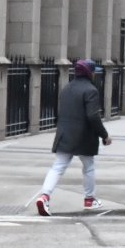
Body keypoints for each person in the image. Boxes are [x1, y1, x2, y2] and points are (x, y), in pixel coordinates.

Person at [35, 59, 112, 215]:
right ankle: (89, 199)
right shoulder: (91, 90)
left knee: (57, 167)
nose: (95, 74)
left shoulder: (66, 88)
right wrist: (104, 135)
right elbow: (93, 116)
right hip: (84, 136)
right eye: (93, 71)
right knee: (88, 167)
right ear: (90, 73)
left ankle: (44, 197)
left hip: (65, 134)